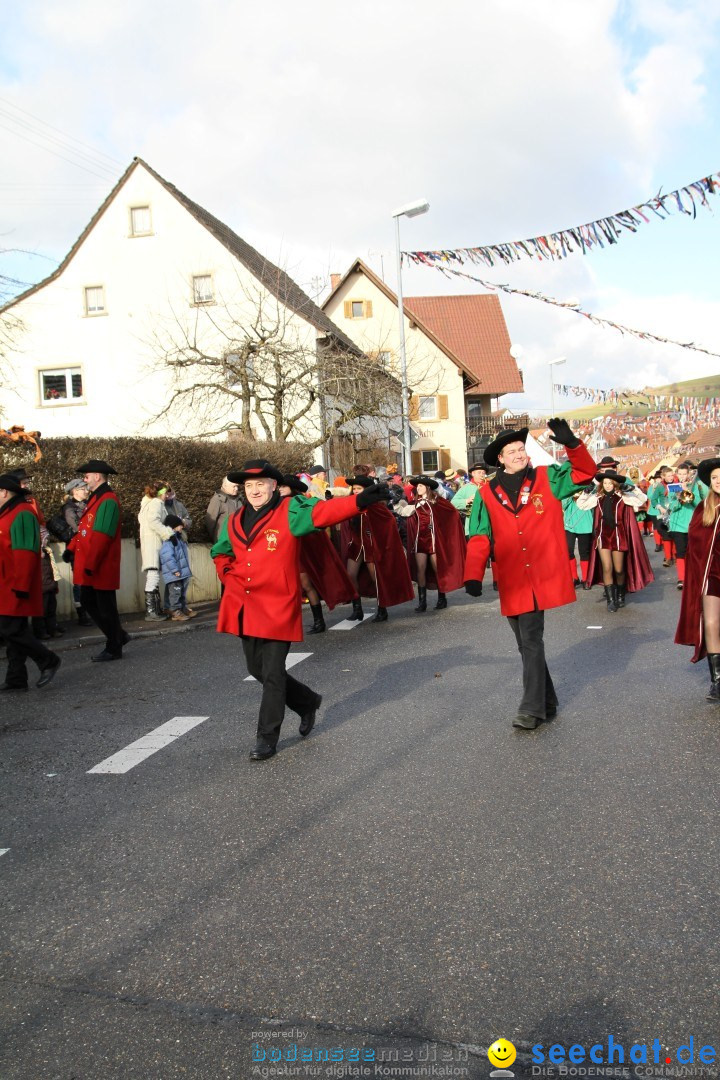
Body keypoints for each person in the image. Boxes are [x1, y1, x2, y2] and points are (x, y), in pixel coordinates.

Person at [210, 459, 390, 760]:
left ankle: (266, 737)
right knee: (256, 668)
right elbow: (220, 552)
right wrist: (227, 574)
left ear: (273, 486)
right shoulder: (235, 519)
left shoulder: (289, 511)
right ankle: (306, 702)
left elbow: (322, 513)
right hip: (244, 603)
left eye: (261, 484)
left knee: (272, 672)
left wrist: (358, 501)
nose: (254, 490)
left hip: (278, 603)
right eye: (249, 486)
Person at [463, 420, 597, 731]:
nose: (519, 454)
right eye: (512, 451)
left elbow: (584, 474)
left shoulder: (547, 477)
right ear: (500, 458)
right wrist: (473, 575)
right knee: (524, 643)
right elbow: (480, 535)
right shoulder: (486, 492)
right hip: (511, 577)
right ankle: (547, 701)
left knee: (532, 639)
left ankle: (531, 708)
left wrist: (572, 444)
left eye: (522, 449)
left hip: (540, 574)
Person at [0, 472, 61, 690]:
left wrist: (22, 585)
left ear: (4, 492)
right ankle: (16, 678)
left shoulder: (22, 513)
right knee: (14, 631)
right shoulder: (9, 512)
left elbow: (25, 553)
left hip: (14, 583)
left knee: (10, 630)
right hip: (7, 582)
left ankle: (48, 660)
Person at [66, 459, 127, 662]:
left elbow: (102, 537)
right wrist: (71, 548)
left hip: (101, 565)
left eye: (86, 476)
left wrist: (91, 565)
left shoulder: (107, 500)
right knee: (90, 601)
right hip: (94, 563)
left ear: (97, 477)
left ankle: (114, 646)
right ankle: (117, 636)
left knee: (105, 608)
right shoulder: (97, 498)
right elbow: (85, 530)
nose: (84, 480)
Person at [279, 475, 356, 634]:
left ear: (292, 488)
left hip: (302, 551)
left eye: (283, 486)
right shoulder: (277, 504)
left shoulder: (301, 502)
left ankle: (319, 621)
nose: (279, 489)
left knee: (306, 585)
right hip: (286, 552)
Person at [339, 475, 414, 622]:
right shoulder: (351, 504)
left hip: (371, 546)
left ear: (366, 490)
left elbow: (389, 522)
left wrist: (376, 536)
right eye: (354, 489)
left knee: (376, 578)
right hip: (356, 545)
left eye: (359, 489)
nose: (355, 491)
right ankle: (357, 609)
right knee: (350, 575)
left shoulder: (375, 506)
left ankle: (382, 609)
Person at [675, 458, 720, 700]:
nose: (719, 481)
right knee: (712, 623)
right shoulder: (704, 507)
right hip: (712, 576)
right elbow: (696, 542)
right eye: (714, 478)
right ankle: (717, 681)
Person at [580, 472, 653, 611]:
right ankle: (610, 600)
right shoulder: (598, 497)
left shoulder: (624, 497)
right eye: (605, 483)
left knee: (619, 569)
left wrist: (632, 489)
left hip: (618, 535)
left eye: (610, 483)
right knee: (607, 567)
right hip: (602, 536)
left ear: (615, 484)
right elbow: (581, 504)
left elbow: (642, 499)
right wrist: (587, 491)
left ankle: (620, 594)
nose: (607, 486)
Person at [397, 476, 466, 611]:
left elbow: (452, 514)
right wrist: (398, 502)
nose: (418, 488)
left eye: (421, 486)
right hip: (420, 541)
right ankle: (422, 602)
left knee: (437, 569)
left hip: (434, 541)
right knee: (420, 570)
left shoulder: (437, 502)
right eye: (417, 486)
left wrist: (437, 526)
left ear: (428, 487)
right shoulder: (414, 503)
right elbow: (404, 514)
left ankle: (442, 598)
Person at [667, 460, 707, 590]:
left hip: (692, 524)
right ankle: (681, 579)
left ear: (689, 474)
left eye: (685, 474)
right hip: (678, 525)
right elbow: (672, 507)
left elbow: (700, 504)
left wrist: (689, 492)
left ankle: (694, 576)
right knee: (681, 552)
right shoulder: (673, 488)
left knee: (694, 552)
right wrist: (679, 497)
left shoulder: (694, 486)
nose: (683, 476)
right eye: (681, 474)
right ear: (677, 474)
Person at [138, 481, 174, 621]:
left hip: (149, 543)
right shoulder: (156, 503)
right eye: (165, 492)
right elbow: (154, 521)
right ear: (160, 493)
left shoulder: (147, 503)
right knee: (153, 576)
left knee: (153, 576)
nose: (167, 495)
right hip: (153, 543)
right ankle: (152, 612)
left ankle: (155, 610)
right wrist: (167, 532)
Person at [60, 479, 93, 625]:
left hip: (89, 547)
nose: (86, 490)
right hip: (77, 550)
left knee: (90, 581)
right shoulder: (69, 509)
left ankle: (91, 612)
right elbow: (77, 528)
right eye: (83, 488)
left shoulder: (88, 504)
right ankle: (82, 614)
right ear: (75, 491)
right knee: (79, 582)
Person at [159, 514, 194, 621]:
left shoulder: (177, 538)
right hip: (175, 574)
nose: (182, 527)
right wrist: (174, 570)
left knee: (180, 591)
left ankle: (181, 608)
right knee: (175, 592)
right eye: (179, 525)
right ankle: (175, 611)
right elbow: (167, 557)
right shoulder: (169, 540)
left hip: (180, 573)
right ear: (173, 526)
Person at [31, 525, 64, 639]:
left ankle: (52, 629)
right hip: (41, 588)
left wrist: (55, 584)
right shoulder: (36, 555)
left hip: (49, 586)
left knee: (51, 610)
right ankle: (40, 631)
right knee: (41, 611)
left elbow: (53, 570)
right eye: (45, 539)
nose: (47, 541)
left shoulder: (47, 553)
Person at [562, 489, 594, 588]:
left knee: (584, 552)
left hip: (585, 524)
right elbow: (563, 505)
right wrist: (570, 494)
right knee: (568, 551)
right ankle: (574, 578)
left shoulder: (590, 488)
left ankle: (585, 579)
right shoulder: (569, 488)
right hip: (569, 524)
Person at [205, 476, 242, 543]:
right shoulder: (217, 500)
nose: (236, 489)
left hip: (238, 541)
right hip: (223, 542)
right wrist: (216, 538)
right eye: (234, 486)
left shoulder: (240, 501)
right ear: (225, 486)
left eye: (237, 486)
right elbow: (210, 522)